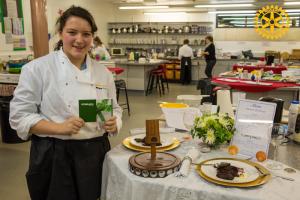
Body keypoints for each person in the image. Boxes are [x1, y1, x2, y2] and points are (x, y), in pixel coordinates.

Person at [9, 6, 122, 200]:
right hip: (54, 154)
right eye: (72, 32)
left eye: (86, 34)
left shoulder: (102, 72)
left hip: (95, 152)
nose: (79, 40)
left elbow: (115, 108)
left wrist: (115, 121)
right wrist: (58, 128)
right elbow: (19, 116)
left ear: (93, 37)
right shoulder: (37, 69)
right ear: (60, 33)